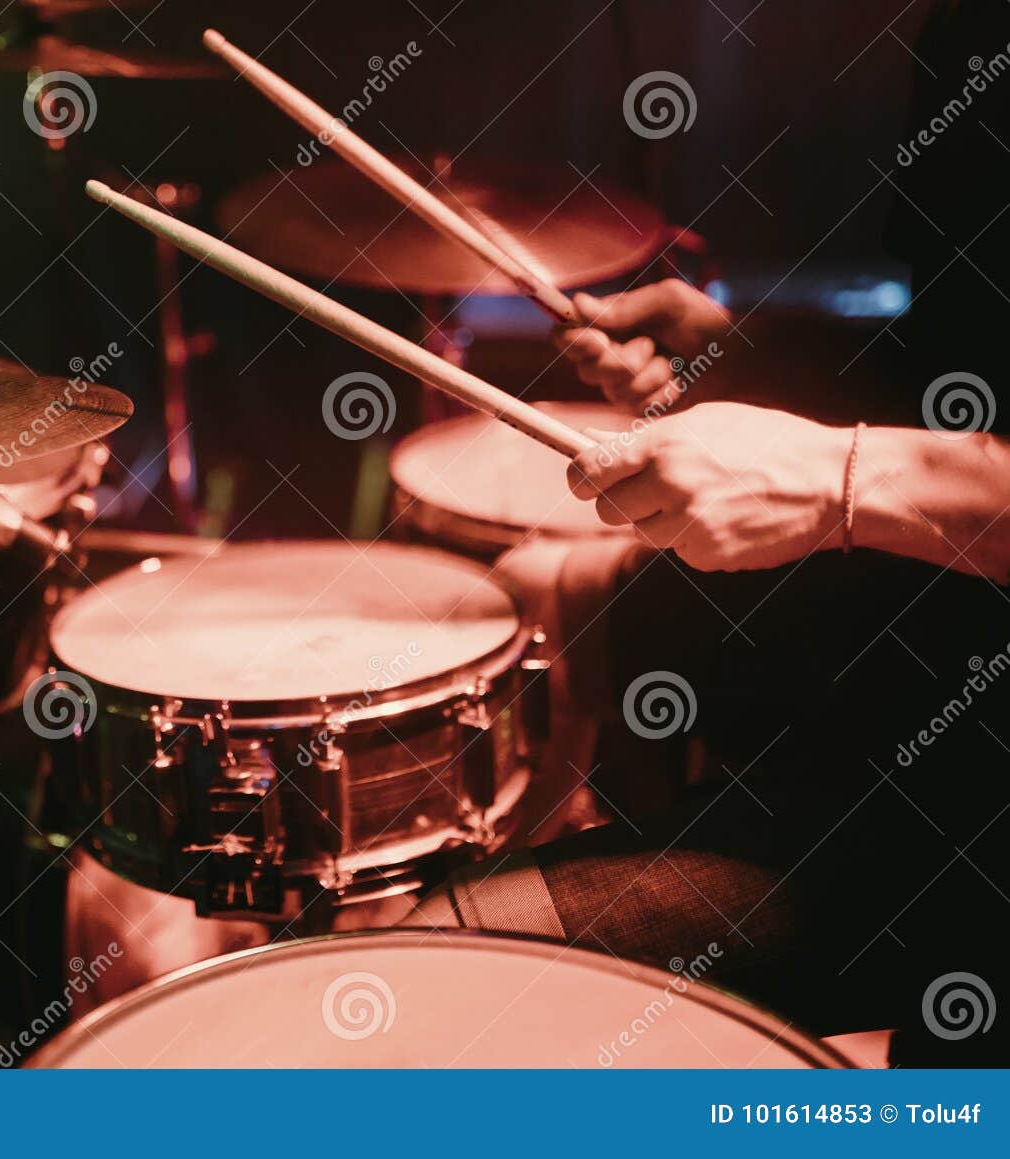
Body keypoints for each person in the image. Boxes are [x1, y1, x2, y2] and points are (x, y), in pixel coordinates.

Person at [406, 0, 1010, 1065]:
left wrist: (841, 475)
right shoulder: (967, 33)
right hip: (926, 623)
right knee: (542, 590)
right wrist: (752, 357)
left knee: (430, 976)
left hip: (971, 816)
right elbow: (964, 363)